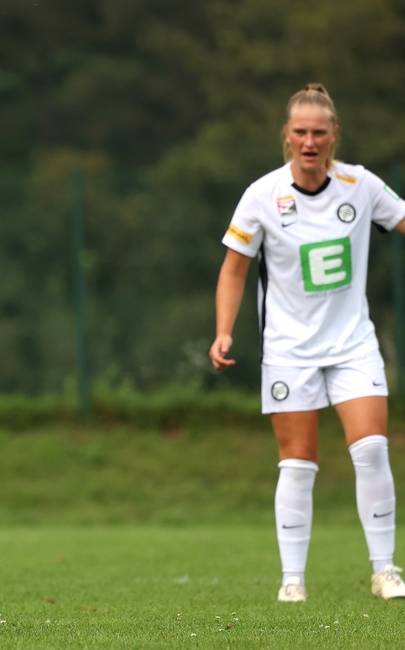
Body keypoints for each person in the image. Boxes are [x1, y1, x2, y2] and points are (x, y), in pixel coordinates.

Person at [210, 83, 405, 603]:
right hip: (288, 349)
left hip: (352, 344)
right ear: (287, 137)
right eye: (301, 131)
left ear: (335, 135)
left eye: (320, 131)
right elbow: (234, 268)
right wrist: (224, 330)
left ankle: (385, 570)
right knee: (298, 462)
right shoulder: (262, 195)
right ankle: (292, 580)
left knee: (371, 450)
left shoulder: (360, 186)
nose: (310, 140)